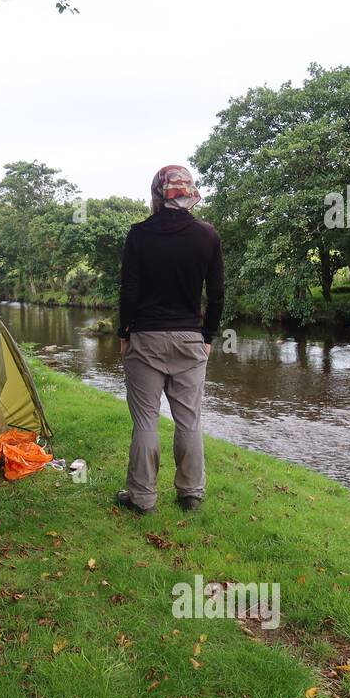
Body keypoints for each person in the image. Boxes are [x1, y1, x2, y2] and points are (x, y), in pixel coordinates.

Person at [115, 164, 224, 514]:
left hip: (145, 336)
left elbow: (129, 290)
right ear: (190, 192)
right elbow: (218, 294)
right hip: (191, 339)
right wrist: (208, 335)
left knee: (146, 420)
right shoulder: (207, 235)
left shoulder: (139, 235)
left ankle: (142, 498)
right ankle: (190, 493)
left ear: (157, 193)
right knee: (189, 419)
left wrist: (124, 331)